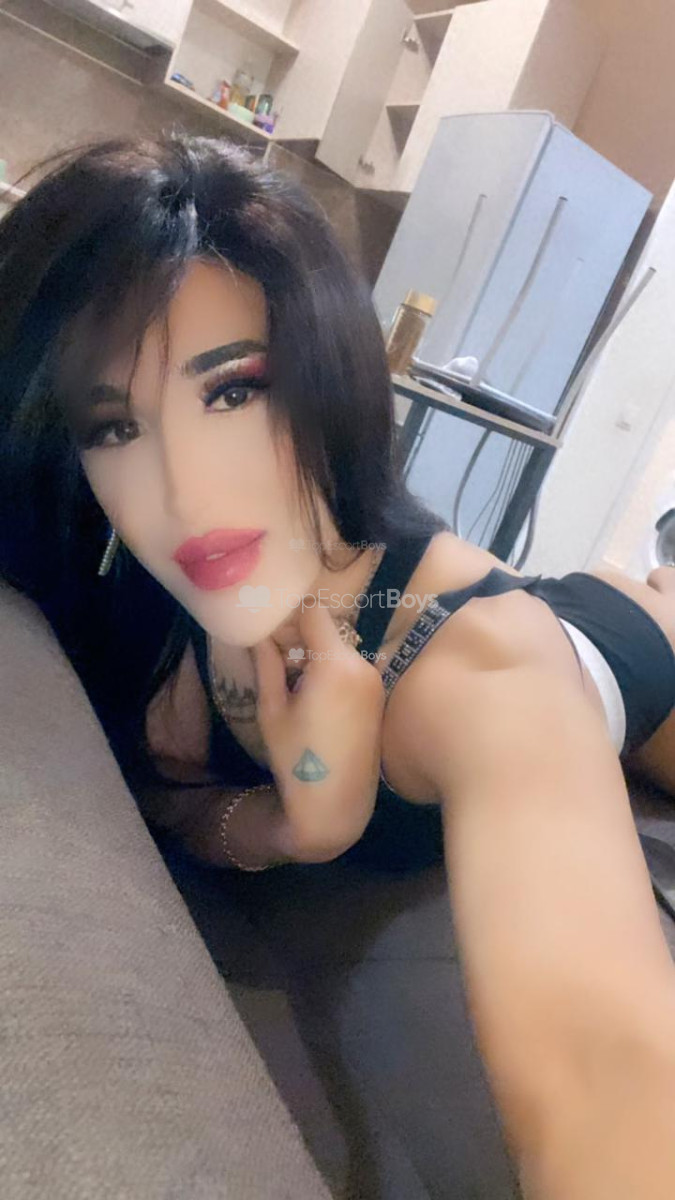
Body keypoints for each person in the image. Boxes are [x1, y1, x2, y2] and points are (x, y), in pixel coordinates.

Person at [2, 132, 675, 1198]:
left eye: (233, 391)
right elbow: (171, 800)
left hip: (613, 648)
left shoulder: (485, 671)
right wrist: (291, 824)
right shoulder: (137, 580)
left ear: (328, 375)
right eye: (116, 424)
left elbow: (605, 1078)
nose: (183, 489)